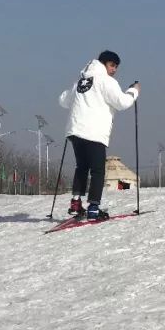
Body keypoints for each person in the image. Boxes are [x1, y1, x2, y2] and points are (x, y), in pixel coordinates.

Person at [58, 50, 140, 219]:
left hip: (75, 131)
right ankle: (93, 207)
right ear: (103, 64)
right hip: (94, 132)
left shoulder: (81, 81)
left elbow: (63, 100)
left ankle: (75, 203)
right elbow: (122, 103)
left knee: (81, 167)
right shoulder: (106, 81)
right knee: (97, 170)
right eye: (112, 65)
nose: (114, 69)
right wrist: (133, 91)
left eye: (116, 67)